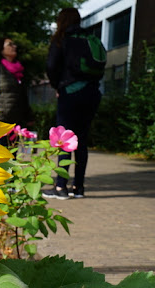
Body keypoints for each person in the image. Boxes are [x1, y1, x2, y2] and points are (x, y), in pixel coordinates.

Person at [43, 7, 102, 200]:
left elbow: (51, 65)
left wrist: (57, 86)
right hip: (92, 92)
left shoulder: (62, 39)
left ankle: (61, 187)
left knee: (65, 139)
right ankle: (79, 187)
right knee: (82, 140)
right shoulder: (90, 38)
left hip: (70, 92)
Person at [0, 37, 33, 147]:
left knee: (12, 157)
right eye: (10, 44)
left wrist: (29, 117)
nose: (14, 46)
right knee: (0, 156)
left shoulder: (19, 70)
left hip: (16, 122)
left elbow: (23, 96)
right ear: (1, 50)